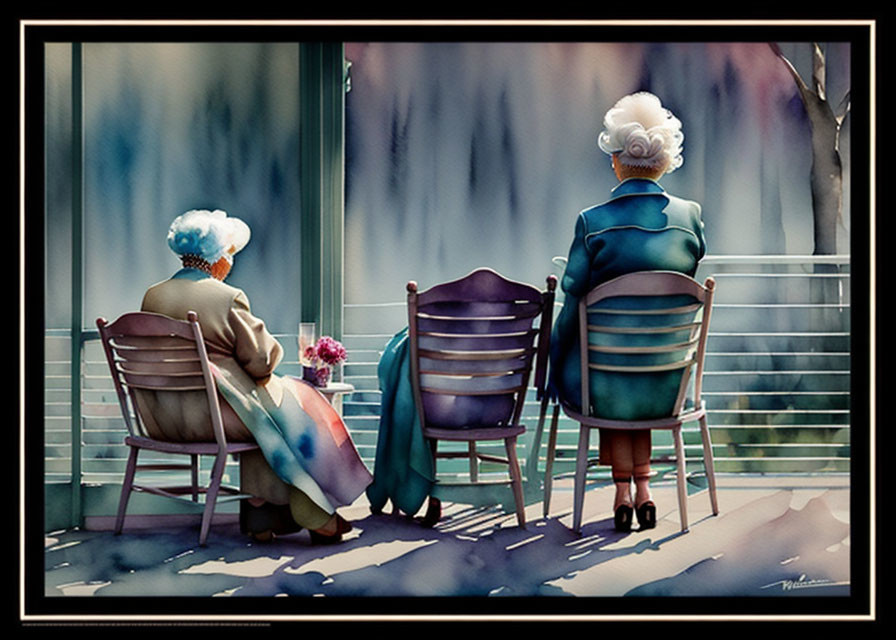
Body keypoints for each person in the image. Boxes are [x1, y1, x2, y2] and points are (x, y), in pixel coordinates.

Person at [138, 209, 372, 543]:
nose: (231, 262)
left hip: (162, 416)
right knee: (284, 407)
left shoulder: (153, 296)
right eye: (230, 254)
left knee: (261, 413)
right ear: (217, 258)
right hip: (213, 418)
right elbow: (263, 361)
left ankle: (262, 516)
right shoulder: (226, 297)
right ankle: (314, 511)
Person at [549, 92, 707, 532]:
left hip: (610, 383)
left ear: (617, 160)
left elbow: (573, 294)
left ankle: (623, 492)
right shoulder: (691, 218)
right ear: (664, 161)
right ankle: (644, 489)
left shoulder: (592, 222)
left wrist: (554, 356)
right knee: (633, 364)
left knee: (604, 364)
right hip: (669, 382)